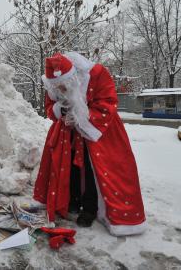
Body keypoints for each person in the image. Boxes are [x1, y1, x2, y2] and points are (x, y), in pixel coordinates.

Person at [33, 52, 146, 236]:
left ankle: (90, 209)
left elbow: (108, 102)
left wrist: (81, 117)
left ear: (73, 77)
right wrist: (61, 111)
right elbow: (50, 108)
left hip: (98, 132)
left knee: (92, 169)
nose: (60, 88)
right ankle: (72, 201)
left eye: (64, 85)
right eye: (57, 86)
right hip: (66, 133)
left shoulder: (97, 73)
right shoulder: (53, 83)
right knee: (68, 168)